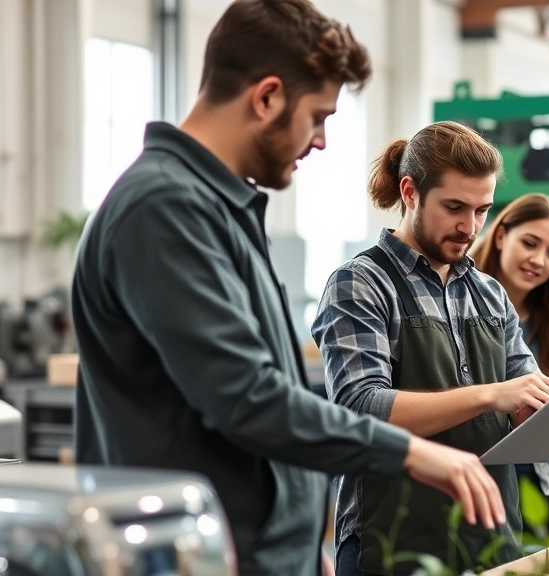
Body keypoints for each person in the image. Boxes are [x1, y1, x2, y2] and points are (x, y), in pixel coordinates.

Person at [69, 2, 505, 575]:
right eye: (318, 116)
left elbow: (268, 392)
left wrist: (305, 543)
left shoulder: (219, 210)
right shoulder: (165, 208)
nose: (321, 140)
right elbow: (247, 398)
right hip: (194, 556)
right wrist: (409, 449)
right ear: (268, 96)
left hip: (253, 551)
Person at [311, 122, 549, 575]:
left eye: (482, 210)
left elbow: (524, 394)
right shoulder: (360, 284)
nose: (470, 227)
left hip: (491, 541)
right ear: (410, 192)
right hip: (391, 544)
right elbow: (359, 407)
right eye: (454, 207)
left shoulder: (489, 294)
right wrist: (492, 394)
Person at [471, 193, 549, 534]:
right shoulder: (461, 307)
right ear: (502, 235)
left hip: (543, 484)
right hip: (479, 483)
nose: (539, 260)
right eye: (530, 243)